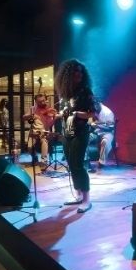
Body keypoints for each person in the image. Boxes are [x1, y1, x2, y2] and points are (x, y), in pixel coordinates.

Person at [54, 59, 100, 213]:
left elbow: (93, 113)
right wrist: (55, 115)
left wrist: (76, 113)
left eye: (80, 72)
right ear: (68, 74)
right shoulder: (65, 93)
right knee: (71, 165)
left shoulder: (85, 91)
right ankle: (78, 194)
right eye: (75, 71)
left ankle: (86, 200)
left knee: (78, 165)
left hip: (80, 132)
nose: (79, 74)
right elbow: (64, 112)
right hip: (66, 133)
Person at [21, 93, 58, 169]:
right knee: (29, 147)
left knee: (44, 142)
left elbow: (50, 124)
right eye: (40, 102)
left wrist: (54, 117)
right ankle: (35, 158)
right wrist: (31, 115)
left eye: (43, 101)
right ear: (36, 102)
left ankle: (44, 161)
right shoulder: (33, 109)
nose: (42, 103)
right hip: (34, 131)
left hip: (44, 131)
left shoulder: (49, 109)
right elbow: (24, 117)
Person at [88, 103, 115, 172]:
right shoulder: (95, 110)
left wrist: (97, 125)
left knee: (105, 142)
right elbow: (92, 122)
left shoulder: (108, 113)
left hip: (107, 133)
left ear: (97, 105)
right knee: (84, 139)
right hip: (97, 132)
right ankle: (86, 161)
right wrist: (92, 123)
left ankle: (101, 162)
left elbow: (110, 128)